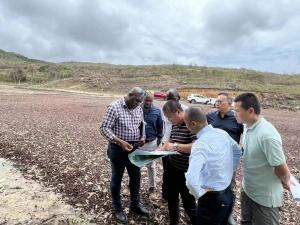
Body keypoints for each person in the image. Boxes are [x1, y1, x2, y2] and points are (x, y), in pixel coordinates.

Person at [234, 93, 291, 225]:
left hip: (264, 197)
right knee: (246, 222)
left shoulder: (267, 134)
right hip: (248, 189)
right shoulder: (247, 126)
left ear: (251, 111)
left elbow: (280, 167)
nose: (234, 113)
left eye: (237, 111)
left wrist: (288, 182)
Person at [100, 87, 150, 224]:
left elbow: (141, 124)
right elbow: (104, 128)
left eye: (140, 102)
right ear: (130, 95)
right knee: (117, 179)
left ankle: (135, 205)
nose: (139, 104)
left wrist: (143, 136)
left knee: (136, 177)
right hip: (117, 149)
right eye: (137, 100)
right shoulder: (114, 107)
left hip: (134, 148)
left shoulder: (138, 107)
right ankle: (118, 208)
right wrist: (119, 141)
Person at [184, 107, 241, 225]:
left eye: (186, 124)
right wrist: (230, 172)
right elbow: (237, 151)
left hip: (211, 199)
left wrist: (199, 193)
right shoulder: (222, 133)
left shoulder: (199, 145)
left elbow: (191, 180)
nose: (186, 127)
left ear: (193, 124)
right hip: (228, 194)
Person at [206, 92, 243, 225]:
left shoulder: (237, 119)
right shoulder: (210, 117)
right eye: (216, 101)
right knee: (211, 185)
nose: (217, 103)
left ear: (229, 103)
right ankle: (211, 210)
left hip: (229, 161)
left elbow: (245, 137)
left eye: (220, 101)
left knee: (228, 187)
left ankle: (228, 214)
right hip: (212, 160)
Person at [160, 100, 197, 225]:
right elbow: (170, 140)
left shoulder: (191, 124)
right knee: (172, 199)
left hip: (186, 172)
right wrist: (157, 151)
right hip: (172, 168)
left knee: (189, 204)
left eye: (170, 117)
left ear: (178, 112)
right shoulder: (175, 124)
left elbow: (196, 146)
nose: (169, 120)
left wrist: (175, 146)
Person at [161, 89, 188, 200]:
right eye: (169, 99)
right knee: (167, 172)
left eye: (174, 99)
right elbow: (165, 127)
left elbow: (196, 144)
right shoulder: (165, 110)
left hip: (181, 151)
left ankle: (181, 196)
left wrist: (175, 146)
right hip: (167, 143)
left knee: (180, 176)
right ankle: (166, 195)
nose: (171, 101)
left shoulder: (187, 112)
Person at [140, 92, 163, 193]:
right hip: (138, 143)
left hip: (151, 142)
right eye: (146, 100)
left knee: (151, 165)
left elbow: (160, 126)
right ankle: (134, 183)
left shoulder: (157, 111)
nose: (148, 102)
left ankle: (152, 185)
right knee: (136, 165)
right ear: (143, 99)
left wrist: (159, 138)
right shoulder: (137, 109)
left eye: (150, 101)